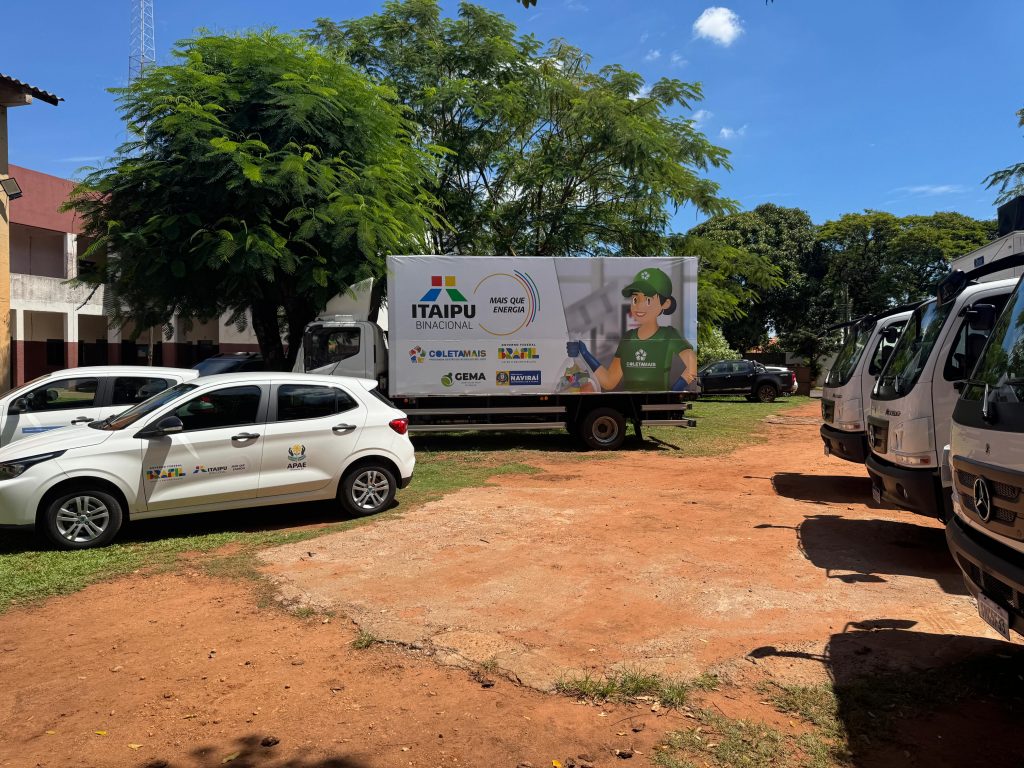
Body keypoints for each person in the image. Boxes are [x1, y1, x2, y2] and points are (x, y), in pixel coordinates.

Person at [567, 267, 696, 392]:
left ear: (665, 303)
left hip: (658, 400)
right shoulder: (628, 338)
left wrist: (675, 389)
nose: (639, 306)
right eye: (635, 299)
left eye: (648, 300)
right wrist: (584, 354)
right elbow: (609, 382)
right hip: (632, 400)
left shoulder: (668, 334)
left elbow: (692, 365)